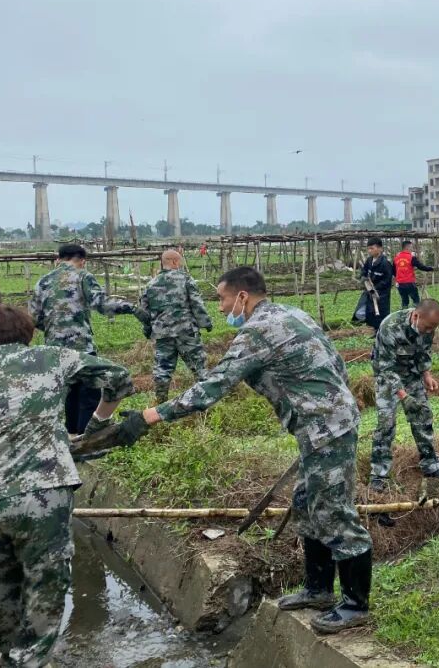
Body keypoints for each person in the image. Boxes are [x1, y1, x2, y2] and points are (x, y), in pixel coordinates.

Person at [81, 267, 375, 634]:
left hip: (327, 427)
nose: (219, 308)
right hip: (323, 422)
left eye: (221, 299)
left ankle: (355, 604)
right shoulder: (291, 313)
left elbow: (213, 387)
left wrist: (148, 416)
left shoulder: (257, 331)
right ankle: (318, 589)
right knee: (305, 503)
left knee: (333, 512)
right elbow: (336, 362)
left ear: (242, 296)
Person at [0, 305, 133, 667]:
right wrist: (98, 423)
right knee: (45, 582)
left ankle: (8, 655)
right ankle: (28, 660)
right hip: (43, 495)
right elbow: (119, 376)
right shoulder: (52, 357)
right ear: (28, 337)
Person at [29, 243, 137, 433]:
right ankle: (86, 442)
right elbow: (102, 305)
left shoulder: (43, 281)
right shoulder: (83, 276)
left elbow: (34, 318)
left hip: (54, 349)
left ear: (58, 259)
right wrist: (130, 307)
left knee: (69, 395)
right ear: (82, 261)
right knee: (89, 394)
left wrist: (54, 330)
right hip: (81, 347)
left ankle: (71, 436)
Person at [368, 300, 439, 492]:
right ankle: (378, 475)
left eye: (433, 327)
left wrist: (427, 375)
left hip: (411, 374)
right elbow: (385, 366)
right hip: (387, 376)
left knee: (422, 416)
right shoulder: (390, 326)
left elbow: (424, 352)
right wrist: (402, 395)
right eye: (428, 327)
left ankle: (431, 465)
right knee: (386, 425)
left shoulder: (429, 325)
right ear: (416, 316)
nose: (429, 330)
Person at [137, 249, 214, 404]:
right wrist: (206, 323)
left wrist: (148, 330)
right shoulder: (185, 279)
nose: (180, 264)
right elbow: (196, 303)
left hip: (162, 333)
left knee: (163, 369)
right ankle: (206, 401)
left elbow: (143, 312)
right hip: (186, 331)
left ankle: (161, 402)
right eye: (179, 261)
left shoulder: (151, 284)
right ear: (174, 262)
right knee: (198, 366)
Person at [358, 238, 394, 331]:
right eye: (368, 248)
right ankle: (375, 330)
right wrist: (363, 277)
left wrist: (376, 288)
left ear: (380, 249)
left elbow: (387, 280)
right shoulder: (369, 260)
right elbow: (364, 271)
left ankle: (382, 331)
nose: (370, 251)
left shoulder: (385, 263)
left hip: (382, 293)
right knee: (371, 311)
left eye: (372, 248)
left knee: (381, 312)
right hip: (370, 291)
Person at [393, 240, 434, 309]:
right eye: (411, 247)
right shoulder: (411, 257)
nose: (412, 249)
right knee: (416, 300)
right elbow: (421, 266)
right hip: (409, 283)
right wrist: (430, 268)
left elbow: (394, 271)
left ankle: (404, 316)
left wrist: (399, 277)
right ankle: (416, 315)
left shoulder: (396, 258)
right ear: (407, 247)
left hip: (400, 284)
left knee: (404, 301)